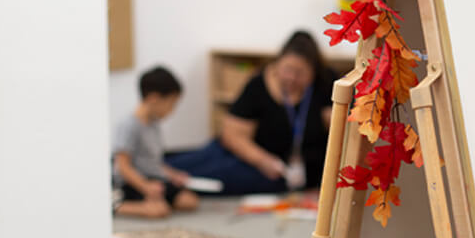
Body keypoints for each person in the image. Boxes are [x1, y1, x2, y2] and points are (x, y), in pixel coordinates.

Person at [169, 31, 337, 194]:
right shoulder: (258, 85)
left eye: (300, 73)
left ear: (313, 72)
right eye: (287, 70)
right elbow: (232, 135)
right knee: (179, 165)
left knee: (205, 178)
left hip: (282, 175)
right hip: (248, 156)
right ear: (277, 64)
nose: (291, 78)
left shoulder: (328, 84)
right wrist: (262, 160)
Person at [113, 66, 199, 218]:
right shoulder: (129, 125)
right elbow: (123, 166)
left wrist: (173, 175)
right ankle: (117, 206)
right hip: (134, 183)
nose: (172, 110)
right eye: (171, 104)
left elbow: (154, 162)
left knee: (189, 201)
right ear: (153, 98)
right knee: (158, 211)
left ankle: (153, 200)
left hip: (155, 180)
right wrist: (144, 186)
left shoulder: (153, 124)